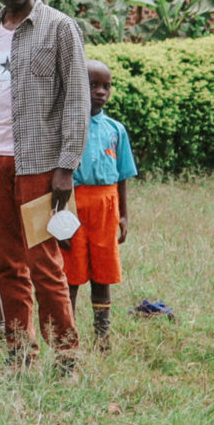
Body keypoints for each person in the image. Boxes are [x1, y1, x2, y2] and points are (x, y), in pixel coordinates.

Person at [67, 60, 135, 353]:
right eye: (93, 85)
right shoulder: (66, 125)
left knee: (103, 270)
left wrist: (124, 215)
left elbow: (122, 177)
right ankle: (66, 335)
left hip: (107, 205)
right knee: (71, 271)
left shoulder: (115, 129)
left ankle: (102, 336)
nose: (100, 91)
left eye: (106, 86)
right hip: (74, 204)